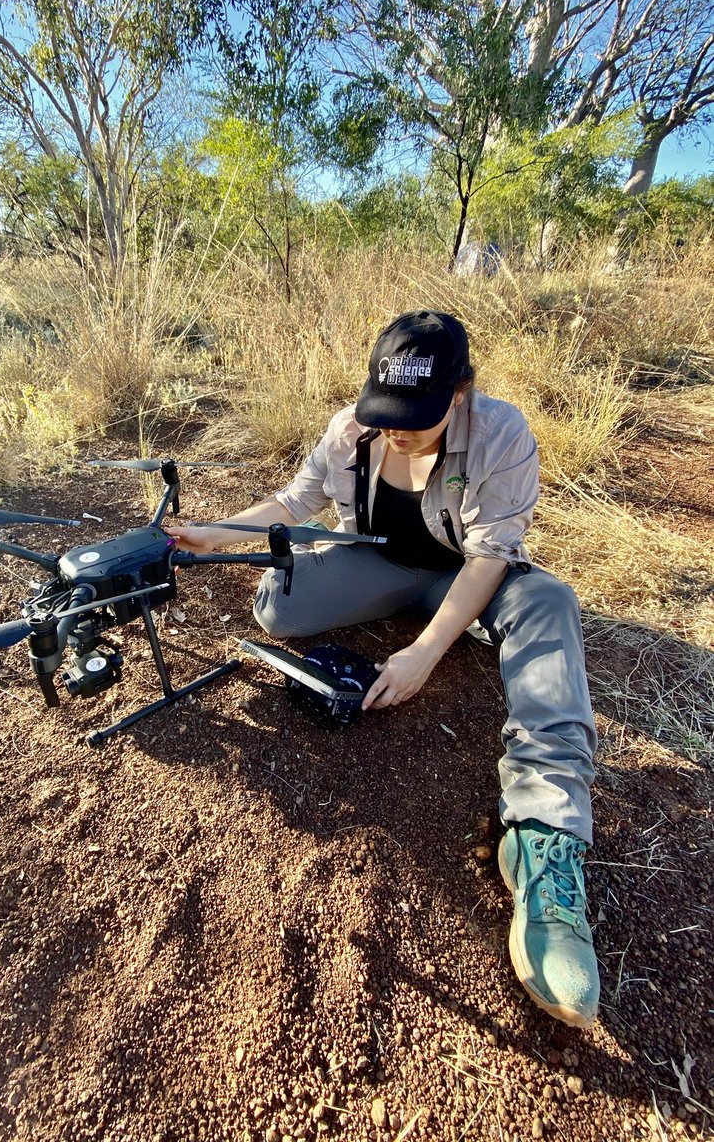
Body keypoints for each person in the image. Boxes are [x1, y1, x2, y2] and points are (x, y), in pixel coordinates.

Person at [167, 310, 600, 1029]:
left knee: (550, 601)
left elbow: (491, 552)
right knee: (277, 607)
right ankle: (432, 622)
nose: (397, 428)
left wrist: (426, 651)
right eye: (386, 410)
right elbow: (296, 500)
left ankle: (542, 839)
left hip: (469, 573)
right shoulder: (352, 431)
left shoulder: (502, 434)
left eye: (417, 416)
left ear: (460, 392)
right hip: (384, 565)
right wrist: (214, 532)